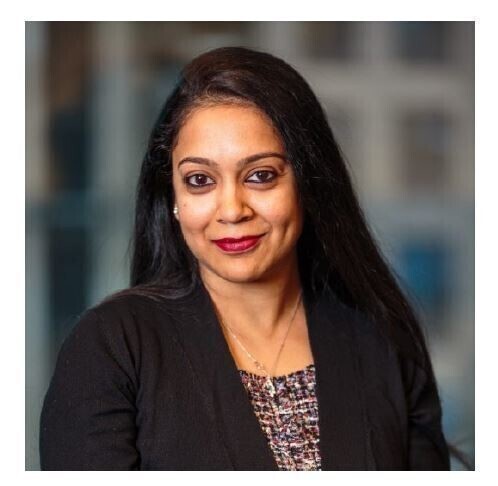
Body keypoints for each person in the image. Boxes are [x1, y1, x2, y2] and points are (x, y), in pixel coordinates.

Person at [39, 46, 450, 471]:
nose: (232, 210)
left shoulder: (382, 342)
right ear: (172, 197)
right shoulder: (113, 347)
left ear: (307, 184)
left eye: (261, 176)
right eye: (200, 180)